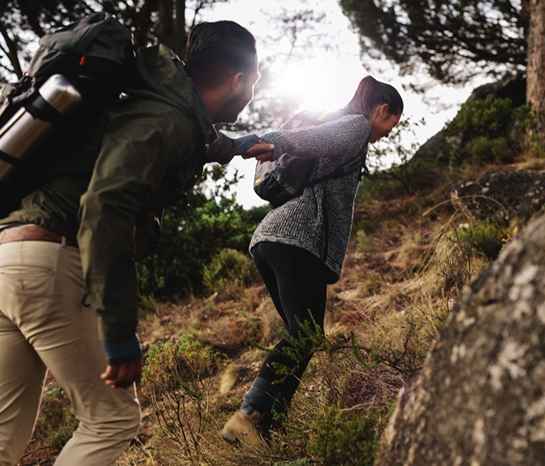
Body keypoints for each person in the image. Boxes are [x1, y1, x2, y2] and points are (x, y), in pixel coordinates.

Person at [0, 20, 271, 465]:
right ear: (240, 79)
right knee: (112, 420)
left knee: (4, 432)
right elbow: (106, 207)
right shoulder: (166, 117)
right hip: (52, 263)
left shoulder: (158, 100)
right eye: (256, 81)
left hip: (11, 258)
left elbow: (176, 134)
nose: (254, 92)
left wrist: (236, 147)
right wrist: (119, 331)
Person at [221, 76, 403, 448]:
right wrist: (272, 140)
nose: (386, 133)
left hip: (275, 240)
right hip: (295, 239)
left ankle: (265, 427)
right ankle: (250, 416)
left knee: (302, 336)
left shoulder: (346, 127)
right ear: (382, 110)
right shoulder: (356, 125)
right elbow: (319, 139)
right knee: (304, 335)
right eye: (391, 124)